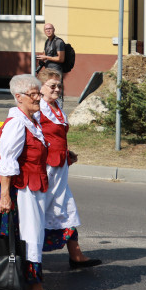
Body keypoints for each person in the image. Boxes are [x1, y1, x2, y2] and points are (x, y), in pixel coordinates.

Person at [0, 74, 61, 290]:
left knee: (27, 236)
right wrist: (4, 197)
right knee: (27, 236)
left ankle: (24, 282)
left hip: (30, 188)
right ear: (18, 98)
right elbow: (7, 162)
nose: (38, 98)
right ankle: (33, 287)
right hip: (19, 190)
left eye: (38, 94)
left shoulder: (31, 121)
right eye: (34, 94)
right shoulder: (17, 124)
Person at [37, 69, 101, 268]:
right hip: (46, 168)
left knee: (65, 207)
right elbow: (36, 138)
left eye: (59, 86)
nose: (57, 89)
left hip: (59, 167)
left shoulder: (56, 106)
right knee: (44, 209)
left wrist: (66, 151)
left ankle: (76, 254)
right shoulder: (38, 108)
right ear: (41, 88)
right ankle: (29, 255)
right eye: (52, 86)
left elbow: (56, 137)